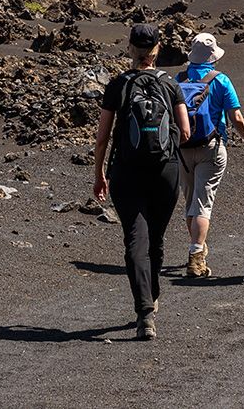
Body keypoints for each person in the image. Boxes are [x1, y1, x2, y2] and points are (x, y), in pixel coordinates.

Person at [93, 23, 191, 339]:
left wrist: (99, 175)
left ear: (130, 49)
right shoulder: (170, 83)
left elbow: (102, 138)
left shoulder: (117, 85)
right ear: (157, 50)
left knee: (135, 239)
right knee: (157, 238)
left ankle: (144, 313)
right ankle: (154, 294)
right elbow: (185, 131)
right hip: (165, 170)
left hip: (127, 171)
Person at [175, 32, 244, 277]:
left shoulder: (178, 79)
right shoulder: (220, 80)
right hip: (211, 146)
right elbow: (236, 117)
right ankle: (196, 258)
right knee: (203, 203)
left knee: (191, 202)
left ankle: (197, 246)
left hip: (183, 147)